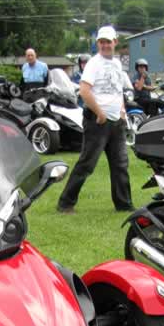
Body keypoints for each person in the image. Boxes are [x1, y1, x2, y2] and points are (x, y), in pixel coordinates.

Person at [57, 26, 133, 214]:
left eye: (109, 41)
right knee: (87, 164)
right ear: (98, 43)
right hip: (97, 122)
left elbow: (118, 90)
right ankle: (65, 203)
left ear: (115, 42)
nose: (105, 45)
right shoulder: (93, 63)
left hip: (116, 122)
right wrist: (99, 113)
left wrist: (122, 110)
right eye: (102, 42)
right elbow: (84, 91)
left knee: (120, 164)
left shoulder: (117, 64)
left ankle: (124, 205)